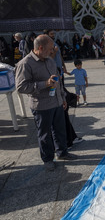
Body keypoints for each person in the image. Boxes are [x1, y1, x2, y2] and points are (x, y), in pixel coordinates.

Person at [15, 35, 77, 171]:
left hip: (57, 102)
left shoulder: (50, 60)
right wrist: (45, 84)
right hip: (41, 106)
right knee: (44, 134)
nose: (52, 51)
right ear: (40, 48)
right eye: (50, 49)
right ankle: (48, 159)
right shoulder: (25, 64)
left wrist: (62, 98)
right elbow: (21, 87)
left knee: (60, 130)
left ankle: (62, 152)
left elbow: (58, 80)